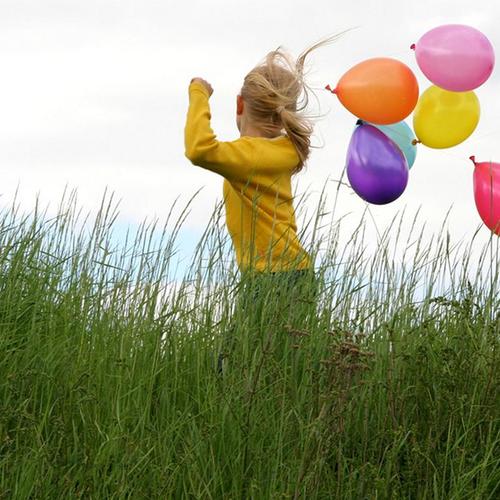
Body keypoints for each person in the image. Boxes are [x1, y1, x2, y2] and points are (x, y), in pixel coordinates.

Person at [184, 36, 338, 374]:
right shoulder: (282, 150)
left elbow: (198, 149)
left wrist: (199, 93)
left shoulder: (247, 157)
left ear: (240, 105)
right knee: (277, 365)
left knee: (233, 366)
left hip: (270, 277)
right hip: (292, 273)